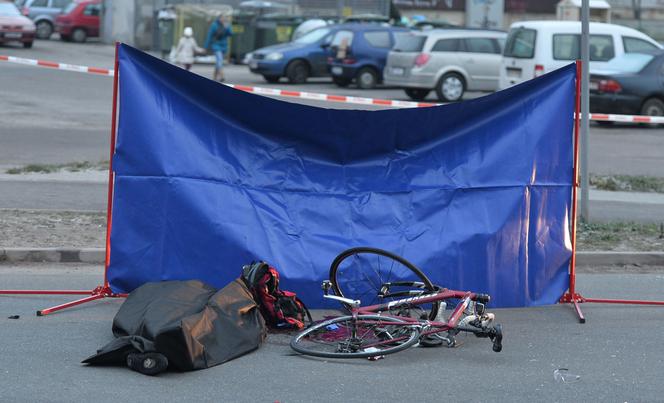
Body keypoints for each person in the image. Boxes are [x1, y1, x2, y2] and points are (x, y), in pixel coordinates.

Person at [204, 15, 233, 82]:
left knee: (218, 62)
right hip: (216, 46)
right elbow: (209, 36)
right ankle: (222, 76)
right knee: (219, 60)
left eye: (224, 18)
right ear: (219, 18)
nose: (223, 19)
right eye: (222, 18)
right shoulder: (214, 25)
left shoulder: (226, 25)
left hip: (224, 47)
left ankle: (214, 77)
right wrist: (206, 47)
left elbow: (230, 34)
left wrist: (227, 27)